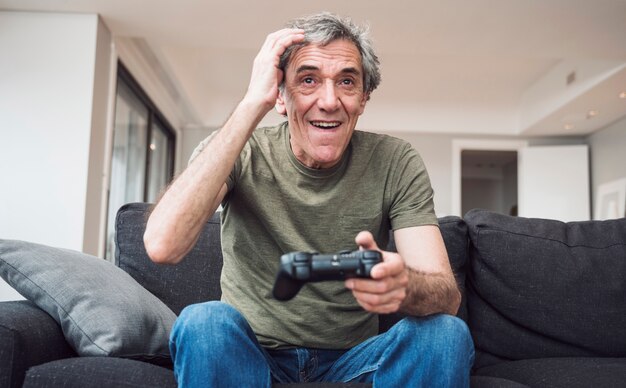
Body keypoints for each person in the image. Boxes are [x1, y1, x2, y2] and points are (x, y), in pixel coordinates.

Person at [144, 12, 474, 387]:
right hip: (254, 356)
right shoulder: (241, 150)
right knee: (204, 322)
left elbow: (447, 299)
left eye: (347, 82)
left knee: (445, 335)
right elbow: (161, 245)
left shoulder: (396, 161)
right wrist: (253, 103)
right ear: (281, 96)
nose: (329, 100)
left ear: (363, 98)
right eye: (308, 80)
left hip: (356, 362)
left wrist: (406, 285)